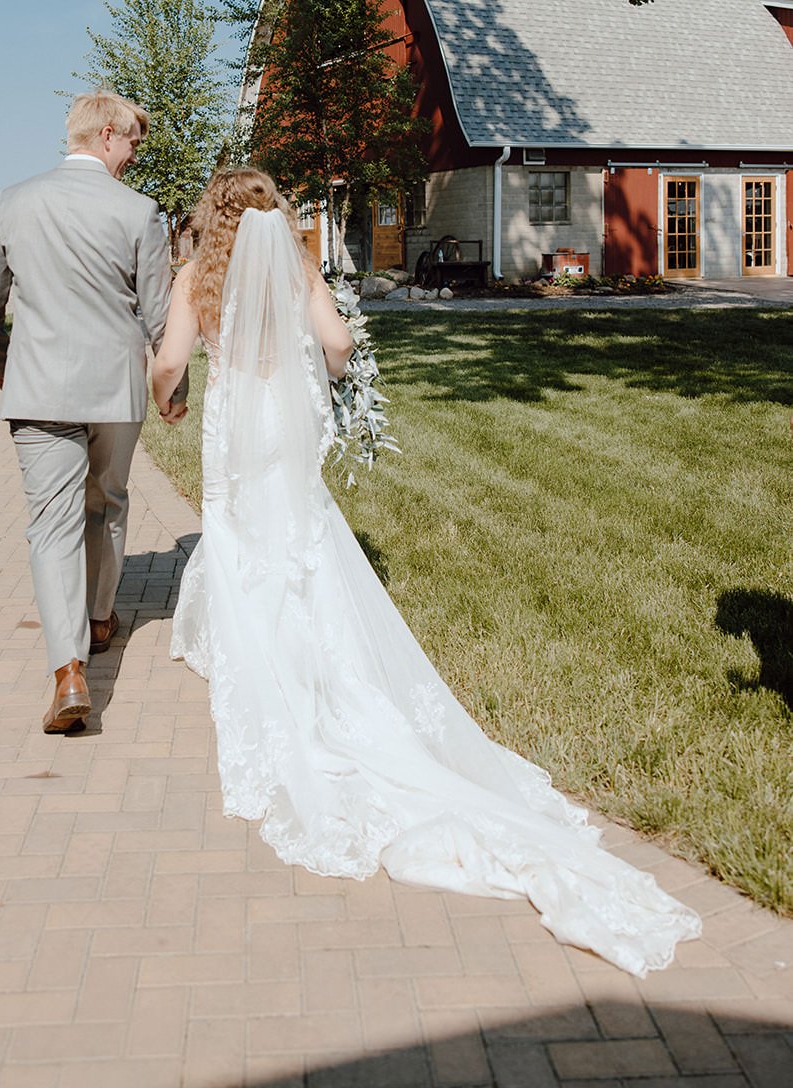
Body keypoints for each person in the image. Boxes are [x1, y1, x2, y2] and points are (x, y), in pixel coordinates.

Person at [151, 167, 702, 977]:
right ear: (275, 209)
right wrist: (337, 376)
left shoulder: (195, 275)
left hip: (237, 424)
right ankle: (317, 649)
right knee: (302, 531)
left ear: (212, 216)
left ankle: (264, 648)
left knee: (241, 533)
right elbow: (336, 346)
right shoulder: (300, 269)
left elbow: (168, 360)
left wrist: (169, 397)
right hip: (289, 421)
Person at [0, 90, 186, 734]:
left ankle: (67, 669)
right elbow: (158, 315)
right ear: (109, 133)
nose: (135, 153)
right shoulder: (140, 211)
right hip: (114, 387)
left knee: (49, 523)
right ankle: (99, 618)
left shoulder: (15, 200)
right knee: (108, 503)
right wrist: (172, 390)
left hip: (37, 386)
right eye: (133, 141)